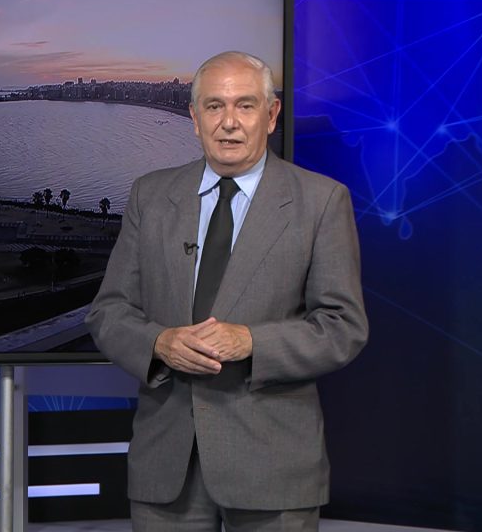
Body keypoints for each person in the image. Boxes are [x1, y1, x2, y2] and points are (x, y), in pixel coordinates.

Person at [85, 51, 369, 532]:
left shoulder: (321, 201)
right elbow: (108, 311)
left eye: (245, 106)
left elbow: (343, 327)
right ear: (195, 118)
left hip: (273, 465)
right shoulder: (150, 196)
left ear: (272, 115)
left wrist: (252, 342)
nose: (229, 123)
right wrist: (159, 343)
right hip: (166, 464)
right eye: (214, 106)